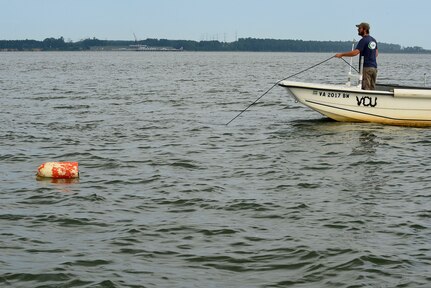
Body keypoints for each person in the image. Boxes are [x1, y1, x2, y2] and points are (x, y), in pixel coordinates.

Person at [335, 22, 378, 90]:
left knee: (366, 89)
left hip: (366, 68)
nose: (358, 30)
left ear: (365, 29)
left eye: (359, 28)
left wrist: (341, 54)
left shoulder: (363, 40)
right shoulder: (373, 40)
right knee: (371, 89)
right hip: (374, 68)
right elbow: (376, 54)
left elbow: (355, 53)